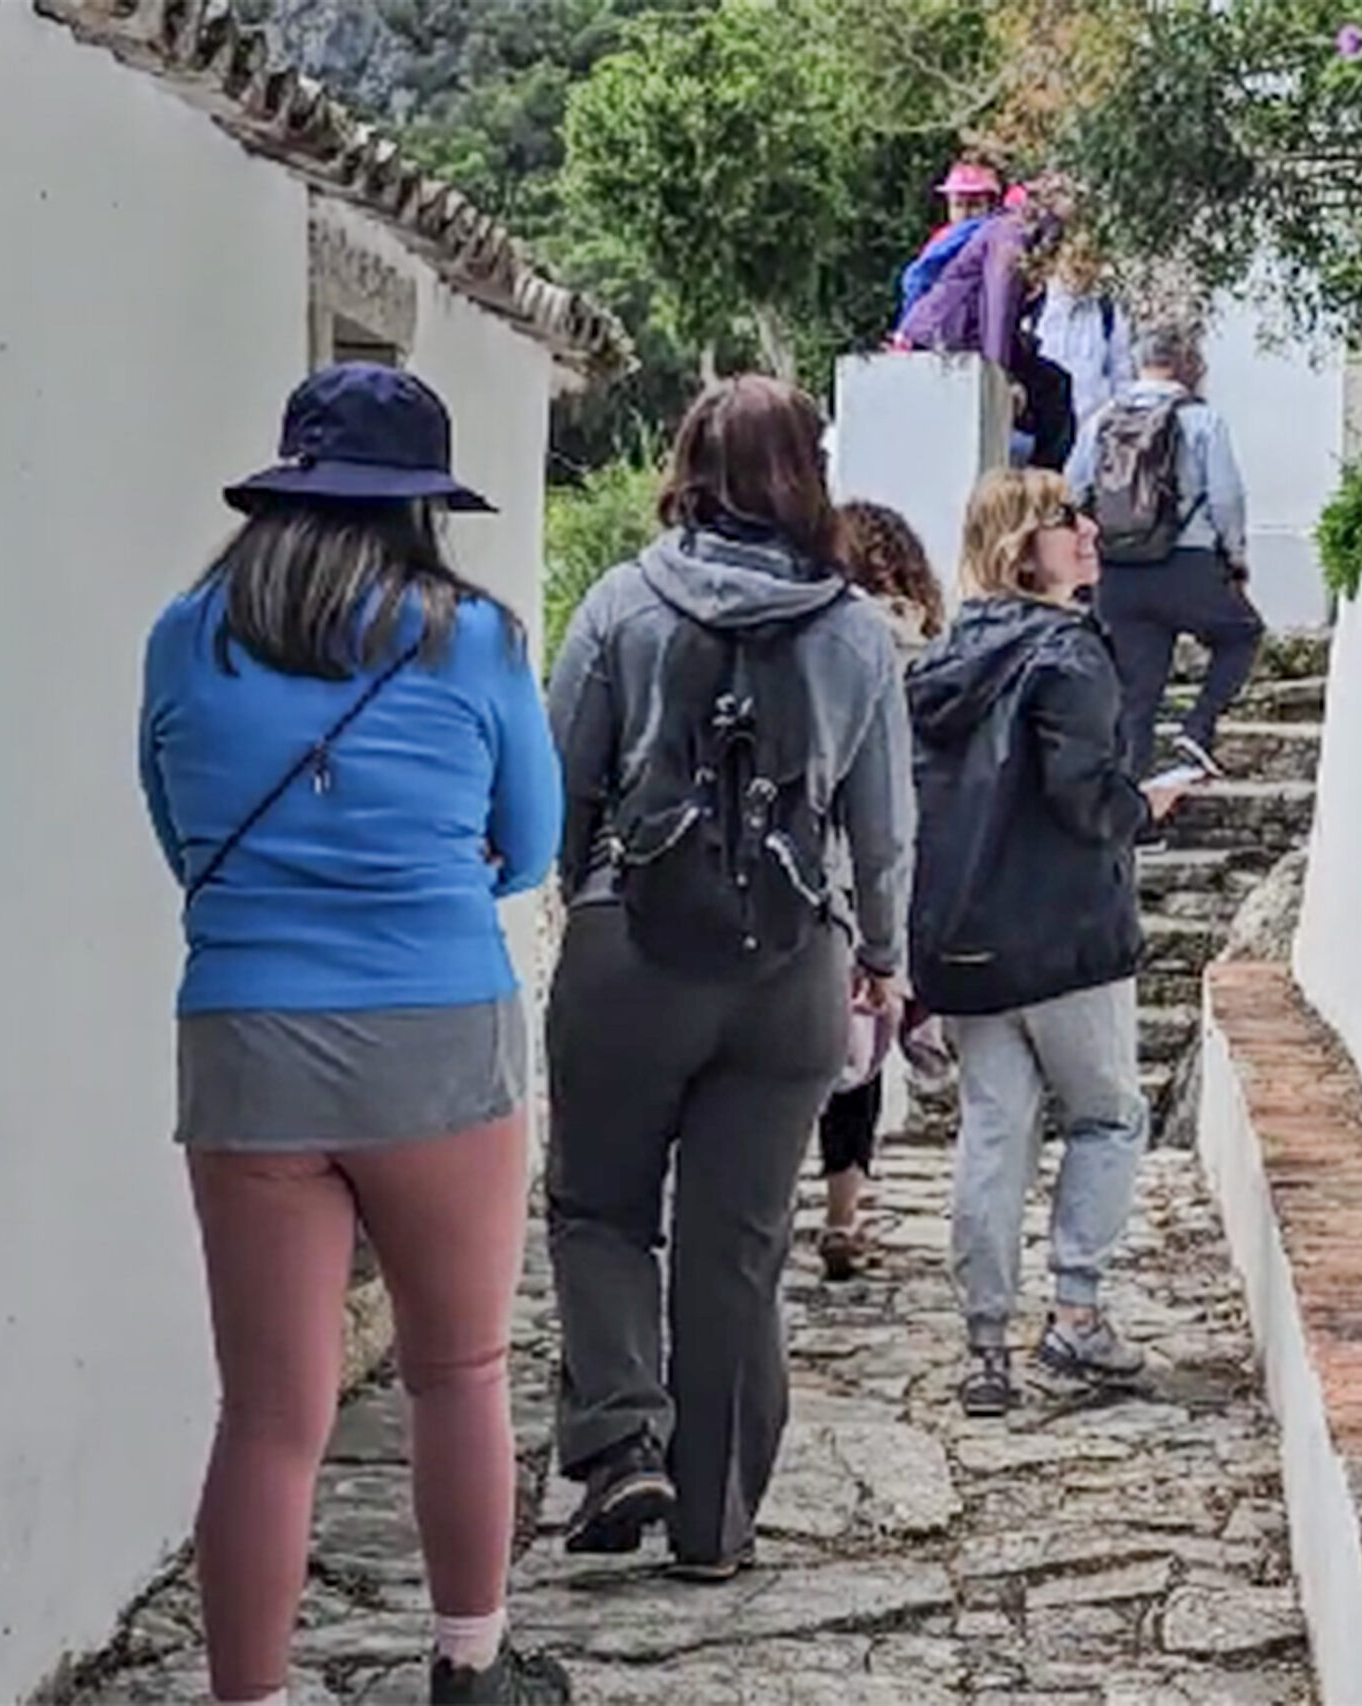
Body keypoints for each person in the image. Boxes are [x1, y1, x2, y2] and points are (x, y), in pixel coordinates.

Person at [137, 364, 570, 1706]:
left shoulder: (186, 633)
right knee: (458, 1369)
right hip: (438, 1029)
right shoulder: (475, 639)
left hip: (247, 1033)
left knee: (269, 1415)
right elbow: (533, 848)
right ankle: (470, 1664)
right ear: (419, 508)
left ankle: (252, 1695)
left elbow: (179, 835)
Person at [544, 377, 913, 1578]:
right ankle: (713, 1528)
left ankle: (620, 1437)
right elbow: (886, 825)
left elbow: (565, 778)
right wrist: (883, 956)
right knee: (737, 1245)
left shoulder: (620, 603)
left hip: (632, 940)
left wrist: (579, 888)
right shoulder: (858, 630)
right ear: (809, 471)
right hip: (790, 958)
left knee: (599, 1206)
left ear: (685, 462)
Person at [906, 468, 1188, 1418]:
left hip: (965, 938)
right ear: (1025, 542)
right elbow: (1082, 797)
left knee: (996, 1129)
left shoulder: (940, 662)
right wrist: (1141, 805)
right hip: (1066, 935)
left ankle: (985, 1343)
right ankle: (1074, 1313)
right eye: (1068, 519)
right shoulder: (1070, 656)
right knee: (1109, 1116)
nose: (1090, 531)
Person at [814, 500, 947, 1282]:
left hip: (808, 867)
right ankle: (843, 1212)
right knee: (861, 1060)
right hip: (889, 867)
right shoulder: (922, 649)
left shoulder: (815, 637)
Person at [1067, 322, 1264, 777]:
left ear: (1139, 363)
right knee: (1242, 634)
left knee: (1136, 695)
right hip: (1187, 564)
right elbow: (1226, 497)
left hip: (1118, 570)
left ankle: (1134, 820)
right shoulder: (1203, 420)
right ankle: (1198, 728)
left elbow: (1073, 488)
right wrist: (1234, 555)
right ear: (1187, 365)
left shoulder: (1101, 419)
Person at [896, 179, 1077, 471]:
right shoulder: (1011, 233)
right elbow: (998, 304)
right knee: (1050, 389)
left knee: (1052, 388)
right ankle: (1040, 485)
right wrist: (1001, 380)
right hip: (946, 337)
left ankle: (1040, 482)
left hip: (966, 336)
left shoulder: (1030, 238)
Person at [1032, 234, 1136, 432]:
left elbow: (1123, 381)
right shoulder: (1035, 308)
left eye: (1087, 258)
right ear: (1055, 261)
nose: (1079, 266)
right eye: (1071, 257)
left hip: (1092, 436)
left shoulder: (1109, 314)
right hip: (1042, 438)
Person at [898, 161, 1003, 318]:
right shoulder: (943, 239)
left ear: (990, 205)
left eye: (974, 205)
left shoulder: (995, 236)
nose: (965, 213)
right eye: (958, 205)